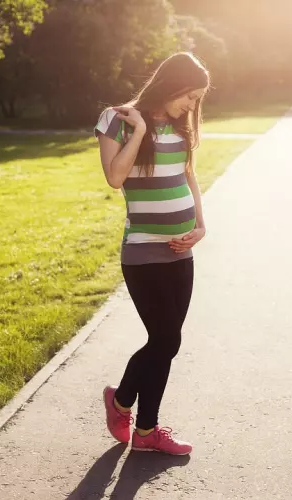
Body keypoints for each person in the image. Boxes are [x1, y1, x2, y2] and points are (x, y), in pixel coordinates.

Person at [94, 52, 210, 455]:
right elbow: (114, 177)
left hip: (181, 250)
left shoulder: (182, 126)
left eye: (197, 99)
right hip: (143, 251)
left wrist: (200, 224)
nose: (192, 106)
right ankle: (126, 407)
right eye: (189, 96)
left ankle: (142, 428)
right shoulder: (118, 119)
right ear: (172, 84)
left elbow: (187, 173)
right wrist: (141, 131)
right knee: (163, 337)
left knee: (169, 341)